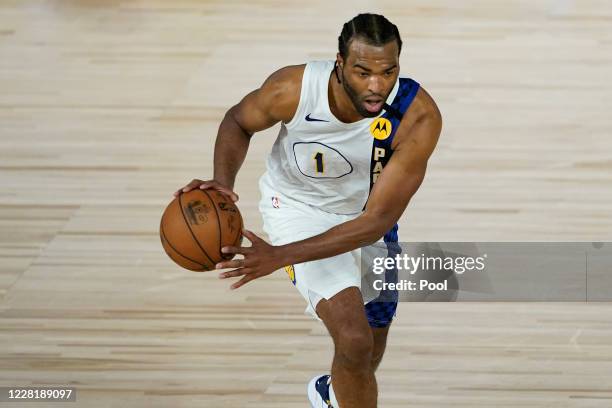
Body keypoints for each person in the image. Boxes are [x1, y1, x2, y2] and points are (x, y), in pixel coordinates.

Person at [174, 13, 442, 408]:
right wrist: (222, 184)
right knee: (353, 338)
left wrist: (278, 258)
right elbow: (237, 121)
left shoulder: (417, 117)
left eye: (388, 72)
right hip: (297, 209)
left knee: (369, 345)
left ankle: (331, 395)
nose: (376, 85)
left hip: (366, 220)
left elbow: (376, 222)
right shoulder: (294, 89)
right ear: (339, 63)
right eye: (362, 71)